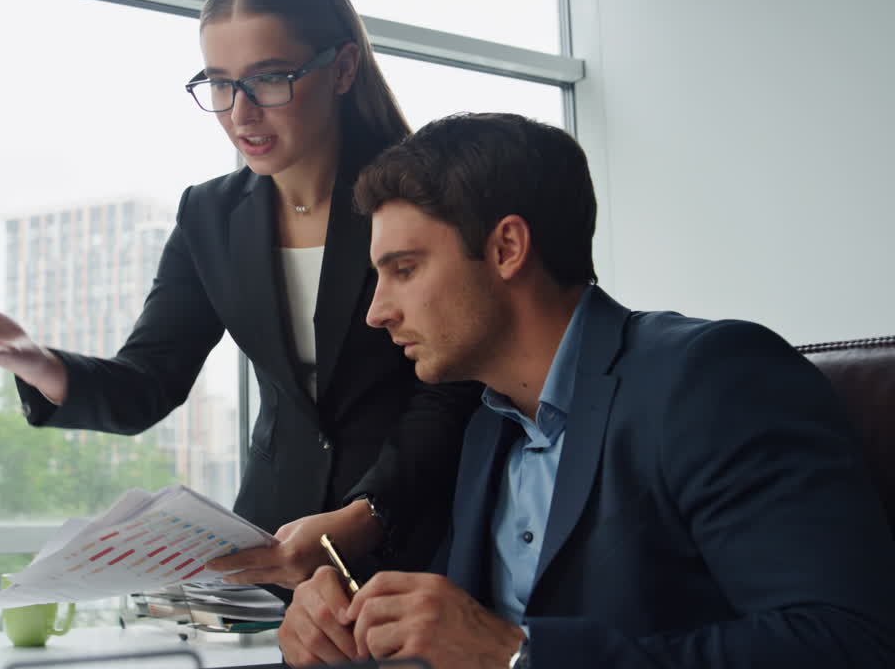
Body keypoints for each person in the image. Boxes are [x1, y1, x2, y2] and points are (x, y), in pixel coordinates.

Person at [0, 0, 477, 589]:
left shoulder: (422, 196)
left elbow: (453, 389)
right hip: (274, 546)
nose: (240, 112)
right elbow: (149, 381)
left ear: (343, 67)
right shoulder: (210, 215)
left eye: (268, 78)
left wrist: (367, 514)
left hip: (417, 529)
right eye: (219, 82)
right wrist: (42, 364)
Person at [278, 112, 895, 668]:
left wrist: (517, 657)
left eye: (404, 271)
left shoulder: (713, 378)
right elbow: (453, 631)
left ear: (507, 248)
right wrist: (346, 628)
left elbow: (848, 640)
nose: (377, 311)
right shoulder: (488, 421)